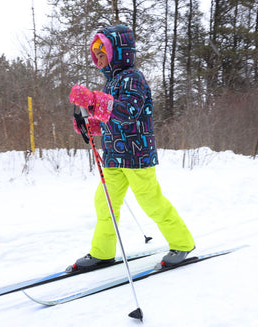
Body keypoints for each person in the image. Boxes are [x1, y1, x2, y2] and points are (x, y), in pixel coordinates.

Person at [68, 24, 196, 271]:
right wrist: (89, 124)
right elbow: (111, 121)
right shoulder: (112, 82)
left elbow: (127, 113)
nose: (98, 55)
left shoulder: (133, 79)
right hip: (115, 157)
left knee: (150, 201)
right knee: (104, 202)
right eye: (96, 51)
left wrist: (93, 100)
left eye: (102, 49)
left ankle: (183, 243)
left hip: (137, 156)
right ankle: (103, 252)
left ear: (118, 51)